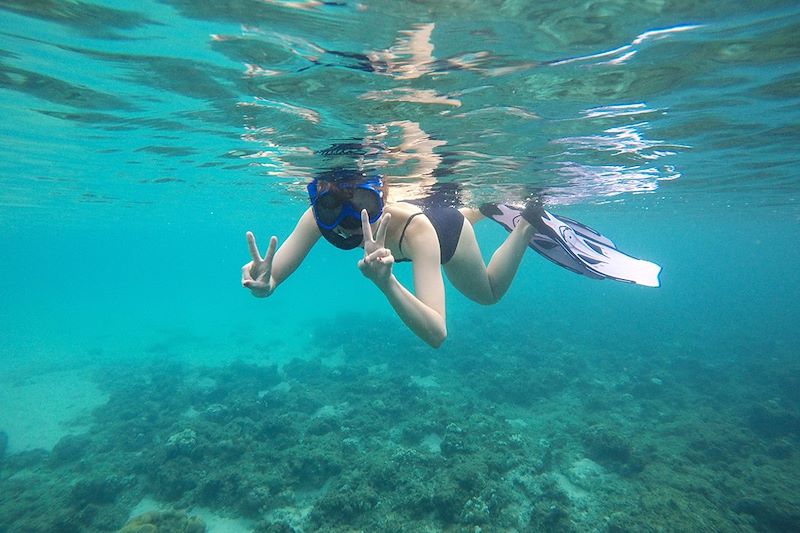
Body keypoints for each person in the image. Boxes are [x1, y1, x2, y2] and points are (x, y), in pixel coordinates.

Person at [241, 170, 662, 348]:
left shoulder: (418, 233)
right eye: (333, 203)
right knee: (462, 213)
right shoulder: (319, 219)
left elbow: (438, 333)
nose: (352, 218)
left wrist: (387, 283)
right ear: (319, 199)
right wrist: (264, 284)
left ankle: (528, 222)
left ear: (381, 196)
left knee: (489, 293)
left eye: (366, 202)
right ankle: (487, 207)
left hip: (443, 228)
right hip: (426, 212)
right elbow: (270, 280)